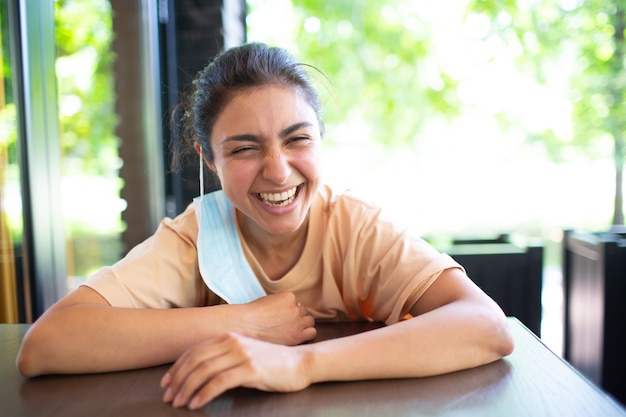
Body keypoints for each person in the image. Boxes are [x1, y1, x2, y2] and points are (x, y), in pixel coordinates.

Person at [17, 42, 514, 410]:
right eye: (244, 148)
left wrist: (301, 363)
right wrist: (241, 322)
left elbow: (486, 328)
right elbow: (48, 344)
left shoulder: (357, 228)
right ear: (208, 160)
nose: (278, 170)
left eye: (297, 139)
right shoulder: (194, 237)